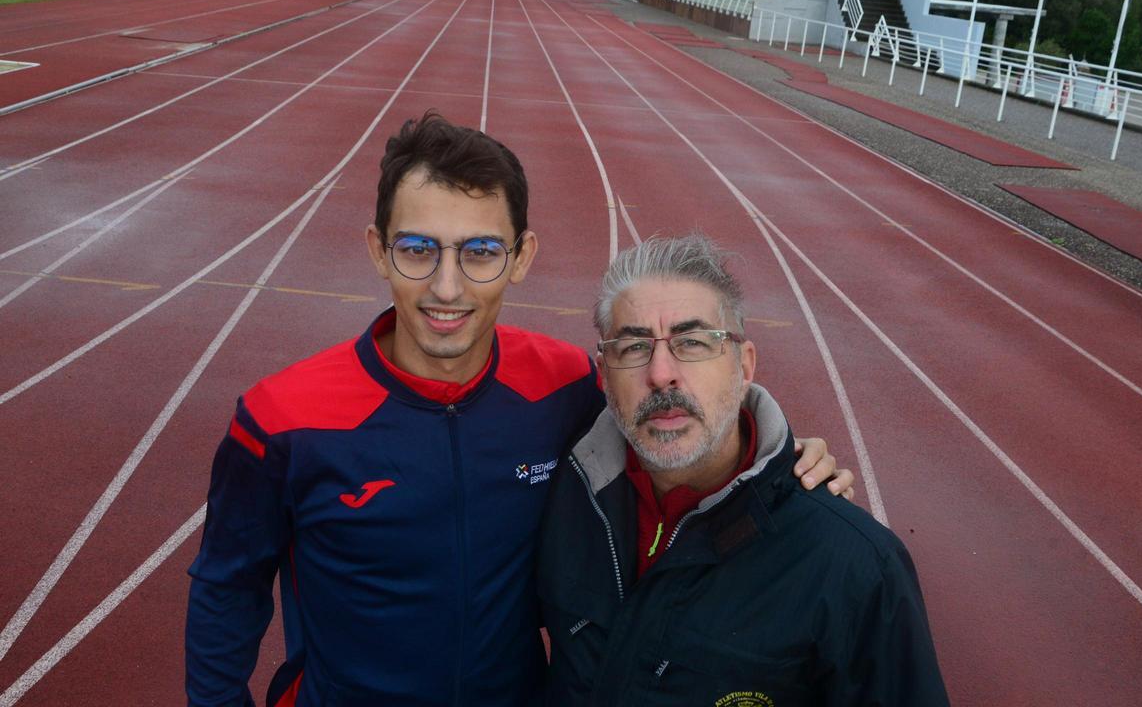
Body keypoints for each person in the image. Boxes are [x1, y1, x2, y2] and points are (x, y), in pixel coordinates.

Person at [184, 112, 853, 707]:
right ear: (377, 250)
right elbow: (227, 586)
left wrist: (786, 471)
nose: (447, 287)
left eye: (480, 252)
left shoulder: (565, 385)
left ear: (521, 258)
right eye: (418, 250)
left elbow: (679, 429)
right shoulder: (282, 418)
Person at [538, 234, 949, 706]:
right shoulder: (562, 495)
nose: (661, 373)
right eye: (633, 348)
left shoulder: (855, 566)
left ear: (744, 364)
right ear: (603, 374)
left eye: (692, 342)